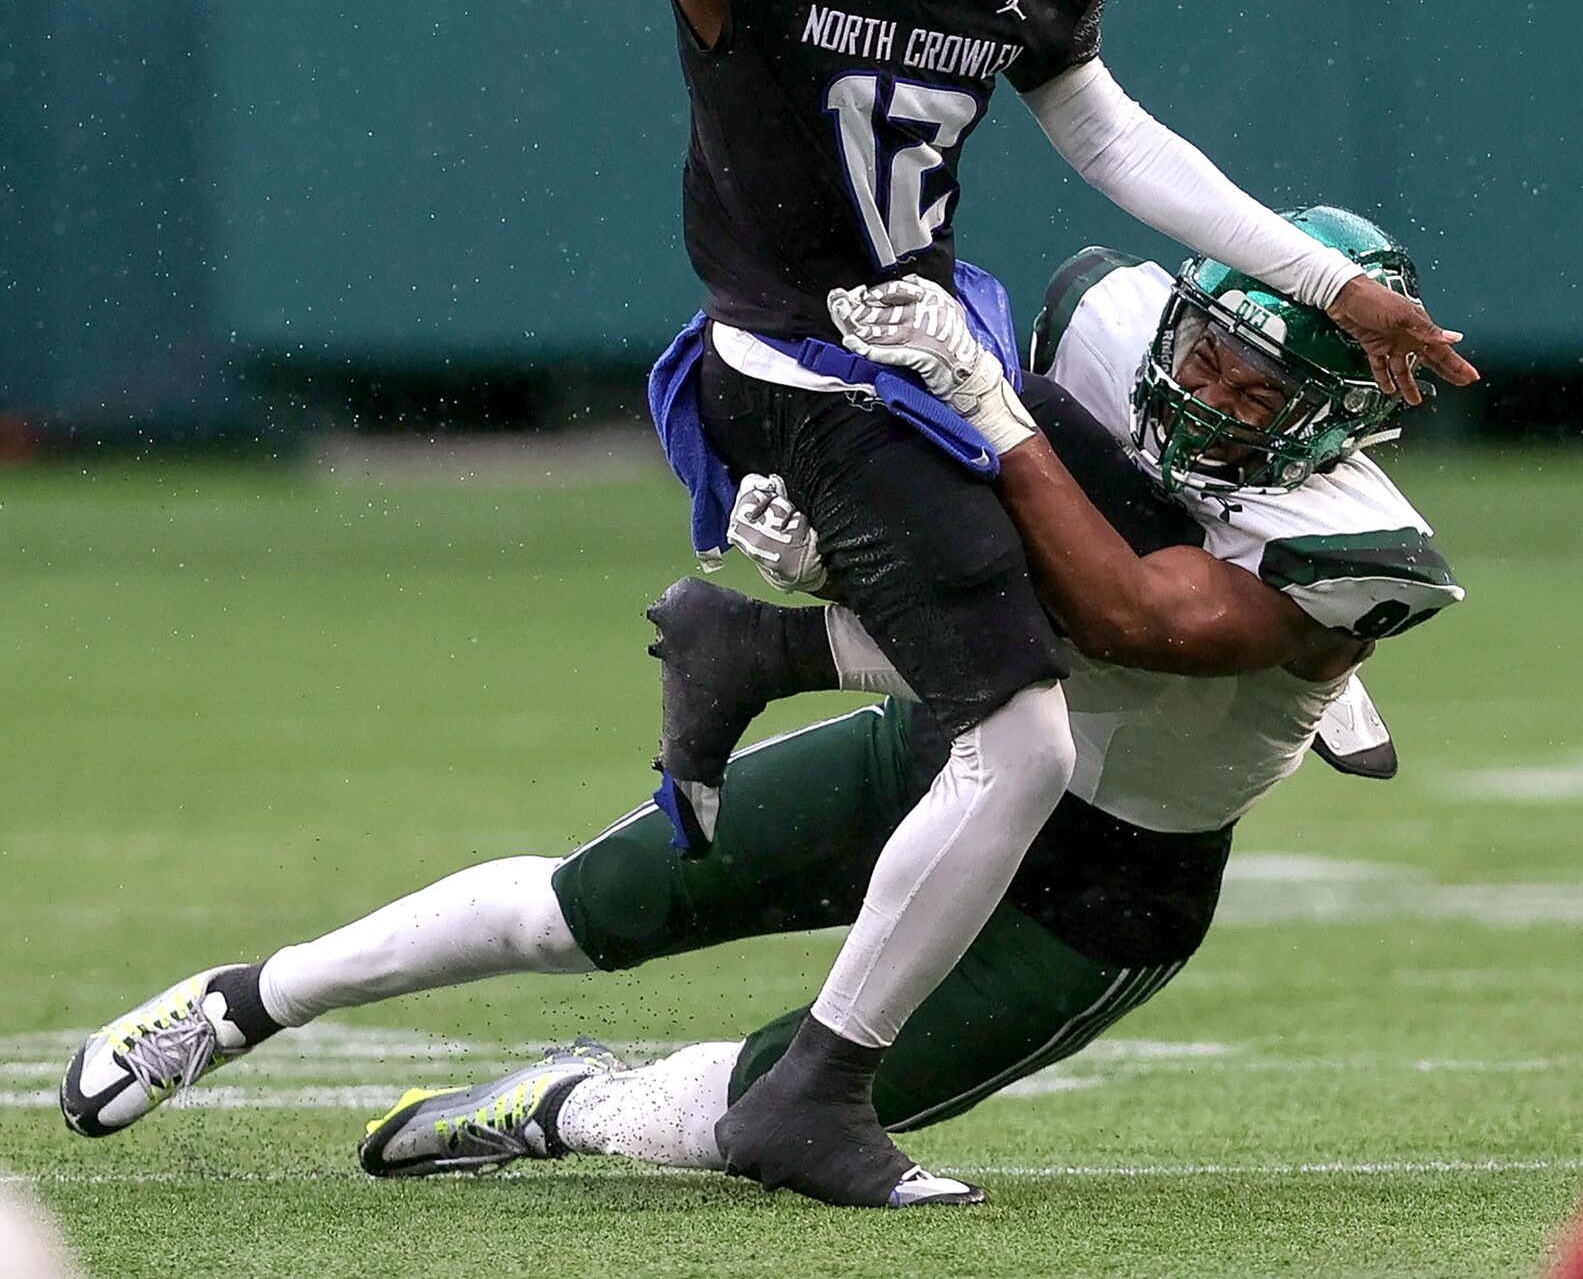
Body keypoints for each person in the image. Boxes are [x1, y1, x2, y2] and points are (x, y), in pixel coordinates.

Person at [443, 0, 1474, 1203]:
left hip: (948, 374)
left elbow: (1112, 132)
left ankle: (1267, 636)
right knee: (1012, 670)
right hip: (822, 340)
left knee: (1081, 537)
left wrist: (1322, 281)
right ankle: (778, 640)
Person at [60, 209, 1460, 1208]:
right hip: (959, 741)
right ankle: (247, 999)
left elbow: (1124, 615)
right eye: (1204, 351)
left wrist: (967, 450)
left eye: (1253, 387)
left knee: (768, 1112)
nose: (1203, 390)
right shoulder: (1105, 322)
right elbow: (999, 523)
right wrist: (851, 526)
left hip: (1103, 880)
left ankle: (568, 1106)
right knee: (577, 904)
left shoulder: (1351, 542)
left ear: (1329, 420)